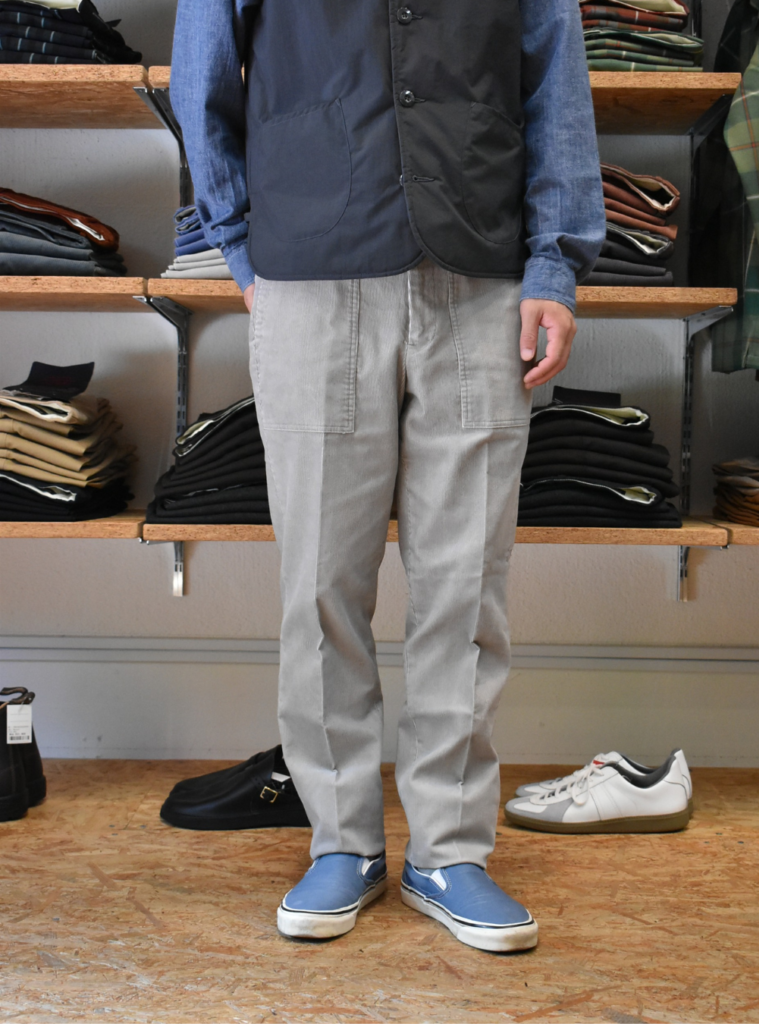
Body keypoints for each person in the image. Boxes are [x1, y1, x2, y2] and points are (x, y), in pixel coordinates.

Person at [171, 0, 605, 952]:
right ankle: (342, 842)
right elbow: (201, 84)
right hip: (309, 276)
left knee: (466, 581)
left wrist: (553, 266)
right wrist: (240, 247)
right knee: (320, 580)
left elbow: (555, 86)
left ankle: (449, 851)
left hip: (482, 282)